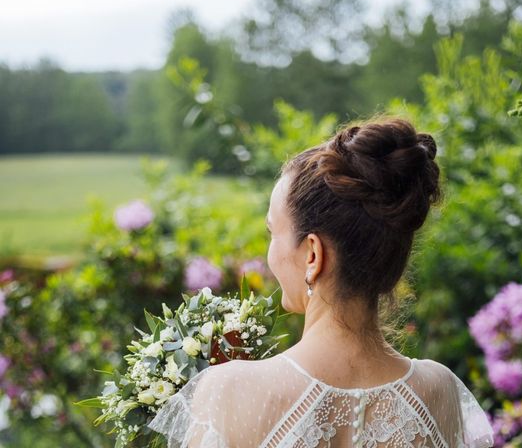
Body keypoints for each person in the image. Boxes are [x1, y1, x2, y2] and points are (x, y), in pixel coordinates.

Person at [148, 117, 495, 447]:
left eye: (273, 232)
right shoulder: (440, 391)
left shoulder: (228, 391)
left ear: (312, 255)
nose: (270, 254)